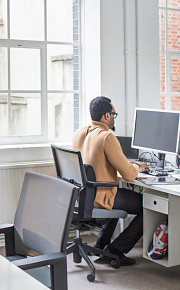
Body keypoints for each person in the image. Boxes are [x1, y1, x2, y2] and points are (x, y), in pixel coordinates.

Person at [71, 96, 148, 266]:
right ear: (106, 116)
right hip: (101, 197)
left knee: (119, 197)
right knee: (148, 207)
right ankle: (116, 250)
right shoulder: (107, 137)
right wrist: (138, 167)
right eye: (114, 114)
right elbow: (128, 176)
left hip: (80, 197)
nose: (114, 117)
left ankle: (100, 244)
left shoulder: (79, 133)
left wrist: (128, 165)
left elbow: (96, 163)